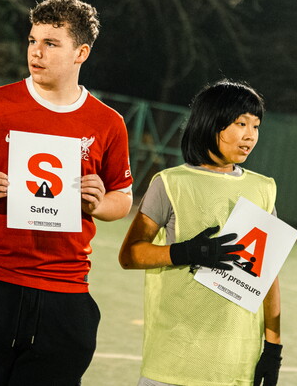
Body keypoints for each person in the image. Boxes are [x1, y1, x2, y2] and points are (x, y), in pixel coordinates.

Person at [0, 0, 133, 385]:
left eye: (50, 43)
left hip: (65, 289)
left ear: (81, 53)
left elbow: (122, 199)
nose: (36, 52)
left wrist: (100, 201)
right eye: (32, 41)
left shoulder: (108, 123)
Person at [118, 80, 283, 386]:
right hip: (174, 359)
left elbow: (268, 275)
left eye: (256, 126)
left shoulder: (263, 189)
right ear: (211, 124)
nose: (250, 135)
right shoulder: (170, 183)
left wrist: (273, 348)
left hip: (235, 365)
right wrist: (186, 252)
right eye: (240, 123)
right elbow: (129, 254)